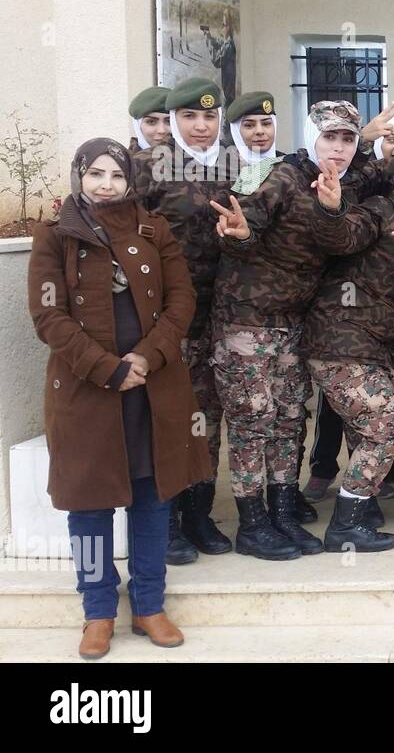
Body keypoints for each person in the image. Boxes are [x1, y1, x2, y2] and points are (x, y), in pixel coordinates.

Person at [29, 138, 209, 659]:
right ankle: (98, 611)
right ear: (78, 176)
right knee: (88, 506)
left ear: (130, 180)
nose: (106, 184)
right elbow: (48, 317)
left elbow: (182, 299)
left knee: (153, 497)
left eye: (116, 175)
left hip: (153, 388)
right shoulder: (54, 236)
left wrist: (146, 359)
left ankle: (149, 604)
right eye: (96, 174)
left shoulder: (155, 230)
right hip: (87, 392)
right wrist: (106, 369)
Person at [209, 100, 385, 560]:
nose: (340, 148)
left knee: (289, 421)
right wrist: (242, 232)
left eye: (348, 139)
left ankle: (283, 512)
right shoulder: (282, 176)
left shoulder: (345, 181)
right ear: (311, 137)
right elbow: (242, 229)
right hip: (247, 319)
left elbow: (368, 177)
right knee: (253, 421)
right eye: (330, 137)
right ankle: (252, 524)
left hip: (293, 325)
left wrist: (366, 144)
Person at [293, 145, 394, 549]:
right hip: (340, 338)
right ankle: (347, 522)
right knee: (386, 429)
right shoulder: (381, 212)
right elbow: (343, 235)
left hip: (383, 345)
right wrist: (331, 210)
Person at [132, 77, 238, 564]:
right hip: (166, 323)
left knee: (207, 420)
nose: (201, 126)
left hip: (219, 317)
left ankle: (198, 514)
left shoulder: (231, 165)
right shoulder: (146, 168)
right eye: (190, 116)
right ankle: (167, 521)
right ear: (173, 120)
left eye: (209, 117)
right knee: (169, 419)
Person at [226, 91, 284, 171]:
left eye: (266, 124)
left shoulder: (292, 169)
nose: (259, 131)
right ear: (236, 132)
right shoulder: (221, 172)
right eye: (249, 125)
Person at [127, 86, 170, 153]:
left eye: (169, 122)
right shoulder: (122, 162)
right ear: (138, 126)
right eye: (151, 122)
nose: (162, 130)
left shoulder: (189, 159)